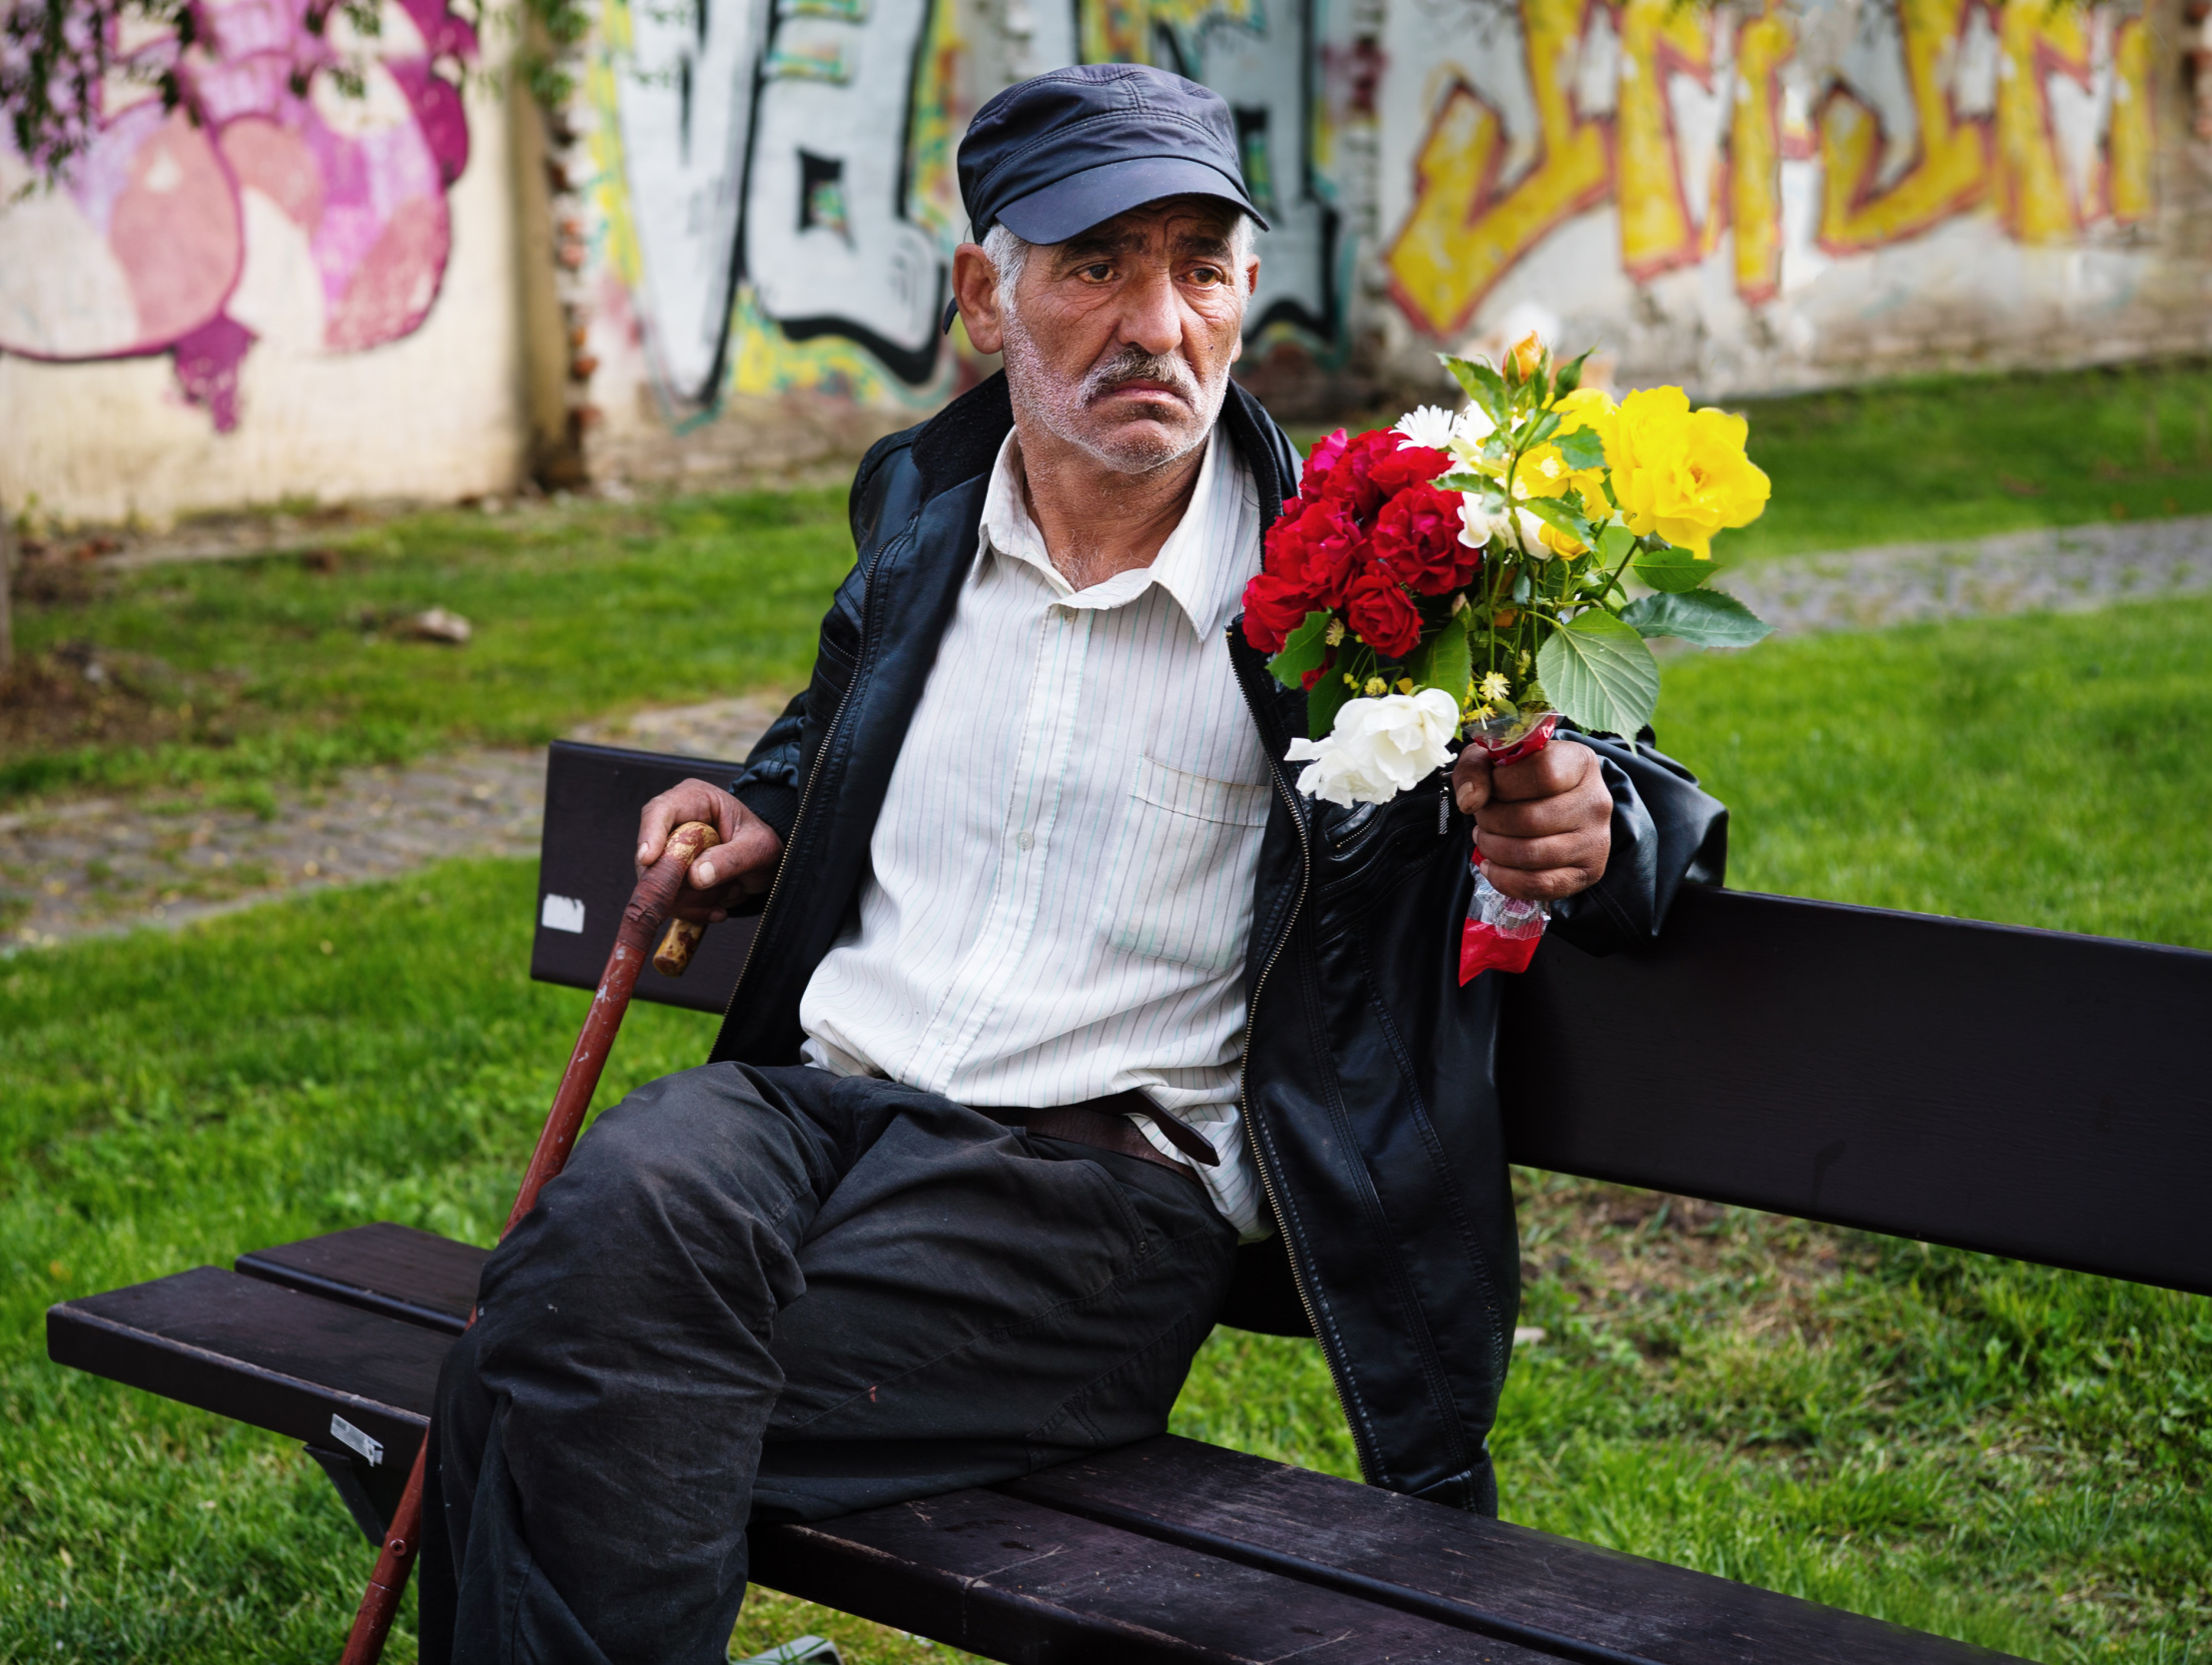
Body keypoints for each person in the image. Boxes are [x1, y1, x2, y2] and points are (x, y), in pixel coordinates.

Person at [421, 62, 1727, 1664]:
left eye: (1197, 268)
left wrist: (1591, 820)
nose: (1154, 324)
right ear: (986, 297)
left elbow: (1609, 795)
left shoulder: (1359, 588)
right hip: (816, 1108)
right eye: (1095, 266)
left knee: (541, 1367)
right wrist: (769, 803)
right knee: (606, 1232)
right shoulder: (922, 511)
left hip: (1092, 1197)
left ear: (1246, 289)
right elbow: (845, 713)